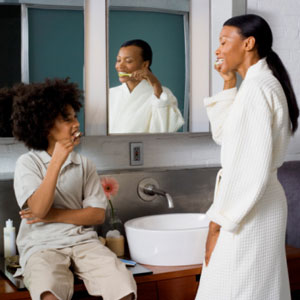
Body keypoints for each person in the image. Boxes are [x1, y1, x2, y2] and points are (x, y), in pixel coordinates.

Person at [196, 14, 299, 300]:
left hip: (247, 206)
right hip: (260, 202)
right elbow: (225, 136)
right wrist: (229, 82)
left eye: (224, 41)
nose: (217, 50)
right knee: (254, 287)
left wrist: (217, 225)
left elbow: (248, 168)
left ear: (248, 43)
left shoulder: (256, 89)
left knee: (236, 289)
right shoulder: (260, 84)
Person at [11, 78, 137, 300]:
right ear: (45, 125)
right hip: (41, 246)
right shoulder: (27, 163)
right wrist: (57, 160)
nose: (76, 124)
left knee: (123, 285)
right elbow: (38, 208)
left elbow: (97, 215)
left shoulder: (85, 164)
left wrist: (51, 216)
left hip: (83, 242)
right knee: (47, 290)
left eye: (75, 117)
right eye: (66, 119)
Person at [109, 39, 185, 134]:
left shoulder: (162, 94)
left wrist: (156, 85)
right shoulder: (110, 94)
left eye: (128, 61)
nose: (120, 65)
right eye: (118, 60)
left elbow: (164, 131)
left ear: (145, 64)